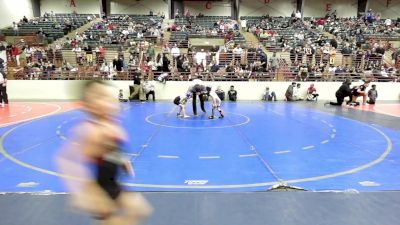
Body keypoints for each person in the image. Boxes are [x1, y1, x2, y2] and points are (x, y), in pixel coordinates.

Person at [56, 80, 152, 225]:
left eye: (108, 98)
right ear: (88, 106)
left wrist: (124, 162)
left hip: (113, 184)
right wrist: (82, 192)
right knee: (112, 220)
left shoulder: (112, 126)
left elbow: (114, 150)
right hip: (99, 190)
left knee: (139, 210)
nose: (108, 102)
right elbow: (66, 159)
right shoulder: (89, 130)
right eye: (99, 98)